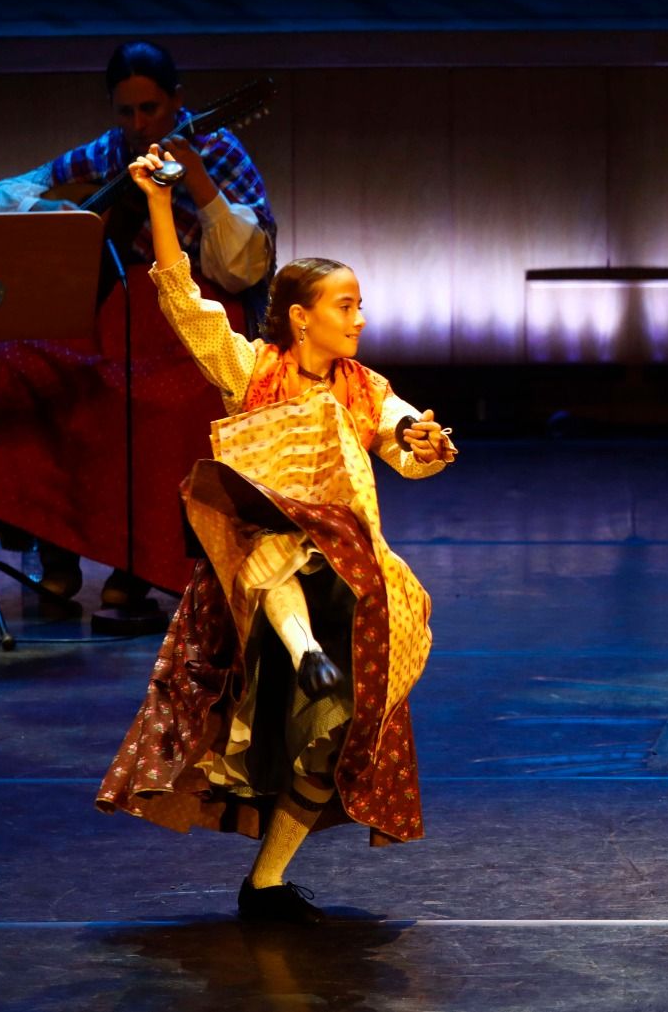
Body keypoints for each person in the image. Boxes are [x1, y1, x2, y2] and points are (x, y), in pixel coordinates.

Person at [97, 143, 457, 924]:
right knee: (274, 535)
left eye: (360, 304)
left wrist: (422, 442)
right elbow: (182, 299)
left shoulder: (366, 388)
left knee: (334, 735)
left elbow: (402, 438)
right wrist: (161, 204)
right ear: (302, 316)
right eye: (345, 304)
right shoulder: (250, 368)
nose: (359, 317)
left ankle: (267, 881)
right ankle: (304, 654)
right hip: (260, 591)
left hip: (347, 586)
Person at [0, 39, 275, 611]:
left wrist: (196, 180)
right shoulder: (109, 153)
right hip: (120, 313)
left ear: (177, 102)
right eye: (127, 112)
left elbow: (246, 267)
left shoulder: (218, 151)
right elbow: (2, 196)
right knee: (20, 366)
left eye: (151, 109)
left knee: (163, 402)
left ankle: (138, 563)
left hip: (198, 319)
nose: (140, 124)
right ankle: (55, 547)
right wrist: (60, 214)